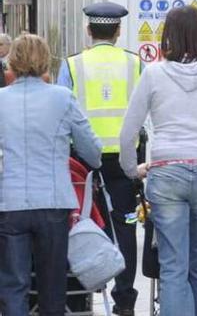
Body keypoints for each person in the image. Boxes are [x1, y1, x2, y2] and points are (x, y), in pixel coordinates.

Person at [119, 6, 197, 315]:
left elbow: (127, 134)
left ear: (169, 36)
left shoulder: (153, 74)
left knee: (173, 266)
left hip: (166, 172)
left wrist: (131, 170)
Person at [0, 34, 103, 315]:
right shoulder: (63, 98)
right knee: (52, 286)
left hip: (10, 203)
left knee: (13, 286)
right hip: (54, 203)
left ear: (13, 61)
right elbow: (92, 150)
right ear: (46, 60)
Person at [56, 2, 143, 315]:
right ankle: (125, 300)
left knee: (82, 224)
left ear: (88, 30)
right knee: (126, 225)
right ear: (118, 31)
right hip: (124, 160)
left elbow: (61, 113)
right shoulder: (135, 64)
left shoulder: (72, 64)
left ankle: (84, 294)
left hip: (83, 161)